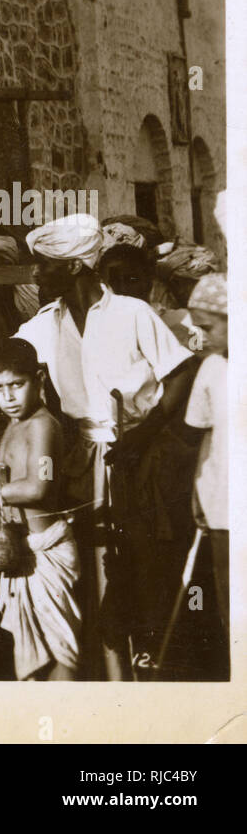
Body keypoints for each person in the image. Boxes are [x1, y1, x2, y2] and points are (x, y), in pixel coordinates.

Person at [12, 213, 198, 680]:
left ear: (73, 267)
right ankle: (109, 674)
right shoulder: (45, 323)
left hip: (138, 456)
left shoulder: (132, 314)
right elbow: (6, 357)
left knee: (141, 561)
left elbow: (179, 374)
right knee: (96, 566)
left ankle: (152, 667)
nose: (35, 274)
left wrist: (144, 431)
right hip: (82, 460)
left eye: (44, 265)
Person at [0, 339, 80, 681]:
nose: (8, 397)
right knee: (32, 654)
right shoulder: (15, 424)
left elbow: (39, 486)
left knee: (59, 653)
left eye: (17, 385)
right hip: (21, 552)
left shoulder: (42, 426)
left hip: (47, 551)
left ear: (39, 379)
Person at [182, 273, 229, 642]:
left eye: (208, 327)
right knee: (229, 600)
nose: (202, 336)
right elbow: (207, 432)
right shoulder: (212, 368)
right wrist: (198, 490)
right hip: (222, 505)